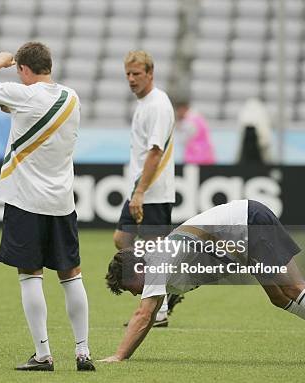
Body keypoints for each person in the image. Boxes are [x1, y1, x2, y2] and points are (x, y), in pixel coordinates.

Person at [101, 199, 305, 365]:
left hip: (248, 224)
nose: (134, 293)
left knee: (293, 286)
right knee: (278, 296)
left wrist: (119, 356)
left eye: (128, 287)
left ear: (137, 268)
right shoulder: (158, 261)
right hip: (242, 236)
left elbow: (143, 314)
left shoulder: (157, 259)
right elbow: (148, 315)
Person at [0, 42, 94, 372]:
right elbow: (26, 113)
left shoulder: (22, 94)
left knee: (30, 275)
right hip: (62, 201)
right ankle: (83, 352)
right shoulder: (71, 97)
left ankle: (43, 355)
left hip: (25, 200)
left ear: (23, 69)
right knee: (71, 275)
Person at [114, 50, 181, 327]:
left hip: (154, 191)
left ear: (150, 74)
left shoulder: (158, 104)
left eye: (137, 74)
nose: (131, 79)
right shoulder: (145, 103)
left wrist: (141, 192)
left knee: (154, 248)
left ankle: (160, 308)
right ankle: (161, 292)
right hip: (140, 190)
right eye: (128, 74)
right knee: (122, 239)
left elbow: (155, 153)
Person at [173, 96, 215, 165]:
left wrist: (179, 128)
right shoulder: (197, 117)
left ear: (182, 109)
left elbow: (183, 140)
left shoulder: (189, 121)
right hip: (206, 155)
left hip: (195, 158)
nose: (177, 113)